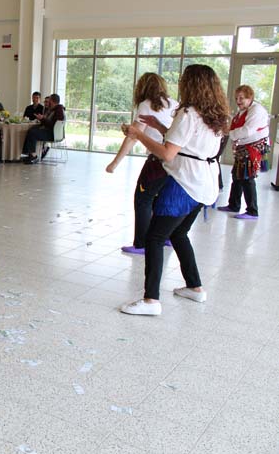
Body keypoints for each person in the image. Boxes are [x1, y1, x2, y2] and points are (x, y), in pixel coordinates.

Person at [120, 64, 230, 316]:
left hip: (185, 184)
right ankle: (195, 287)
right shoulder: (216, 114)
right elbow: (188, 141)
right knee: (179, 234)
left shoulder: (188, 112)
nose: (179, 83)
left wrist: (138, 134)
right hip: (205, 184)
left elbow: (167, 153)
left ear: (191, 84)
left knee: (155, 238)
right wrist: (159, 126)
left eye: (183, 79)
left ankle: (150, 301)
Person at [105, 73, 179, 255]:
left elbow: (133, 137)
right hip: (175, 160)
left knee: (143, 200)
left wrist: (115, 163)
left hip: (157, 160)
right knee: (163, 199)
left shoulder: (146, 105)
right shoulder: (174, 104)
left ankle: (142, 243)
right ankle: (165, 236)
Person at [217, 85, 270, 220]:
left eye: (241, 98)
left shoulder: (257, 111)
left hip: (252, 148)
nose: (238, 101)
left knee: (247, 178)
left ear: (250, 97)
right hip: (244, 146)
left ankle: (252, 211)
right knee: (237, 175)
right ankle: (233, 204)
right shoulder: (244, 110)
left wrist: (229, 133)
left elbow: (247, 130)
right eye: (236, 98)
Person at [21, 94, 65, 164]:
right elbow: (49, 122)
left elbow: (53, 125)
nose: (47, 103)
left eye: (49, 100)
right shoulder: (54, 110)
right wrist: (42, 119)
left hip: (52, 134)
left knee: (32, 133)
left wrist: (43, 119)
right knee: (31, 130)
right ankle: (29, 154)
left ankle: (33, 155)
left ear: (53, 101)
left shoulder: (58, 111)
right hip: (50, 131)